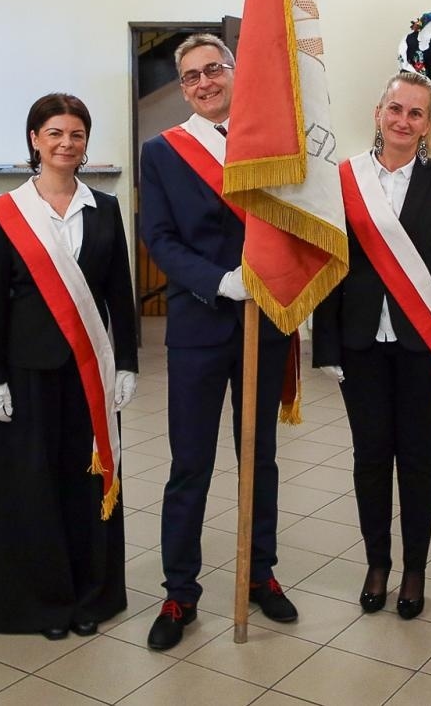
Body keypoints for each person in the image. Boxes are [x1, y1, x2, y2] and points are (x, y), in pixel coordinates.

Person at [138, 33, 299, 651]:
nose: (205, 82)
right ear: (182, 87)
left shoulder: (269, 141)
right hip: (201, 325)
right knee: (190, 464)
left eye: (214, 69)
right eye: (191, 76)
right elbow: (158, 237)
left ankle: (260, 574)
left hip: (267, 321)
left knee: (259, 456)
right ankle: (180, 591)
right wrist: (219, 281)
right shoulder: (162, 152)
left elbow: (295, 218)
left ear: (234, 71)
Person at [314, 70, 431, 621]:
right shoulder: (344, 178)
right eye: (396, 109)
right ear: (379, 111)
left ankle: (414, 570)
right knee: (369, 457)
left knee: (417, 459)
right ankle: (377, 563)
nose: (404, 121)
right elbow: (329, 263)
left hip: (418, 344)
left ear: (429, 124)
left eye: (416, 113)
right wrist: (327, 344)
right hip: (360, 342)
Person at [0, 92, 138, 639]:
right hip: (28, 373)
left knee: (87, 486)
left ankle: (92, 596)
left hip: (91, 369)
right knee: (34, 489)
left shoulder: (107, 208)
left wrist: (128, 362)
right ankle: (44, 603)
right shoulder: (6, 213)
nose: (66, 144)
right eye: (55, 134)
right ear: (34, 140)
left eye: (76, 134)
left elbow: (121, 291)